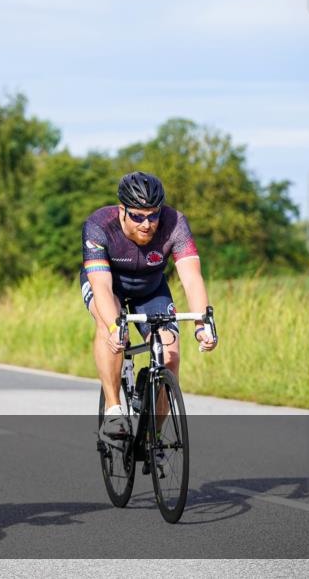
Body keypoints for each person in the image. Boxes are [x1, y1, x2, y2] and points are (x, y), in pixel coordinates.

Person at [81, 172, 218, 446]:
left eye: (153, 215)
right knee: (110, 330)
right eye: (138, 216)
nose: (147, 224)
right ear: (122, 210)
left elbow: (191, 277)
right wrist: (112, 326)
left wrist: (203, 324)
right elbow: (102, 287)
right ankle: (113, 410)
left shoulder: (175, 223)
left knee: (170, 355)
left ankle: (151, 435)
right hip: (109, 286)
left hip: (151, 288)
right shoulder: (98, 225)